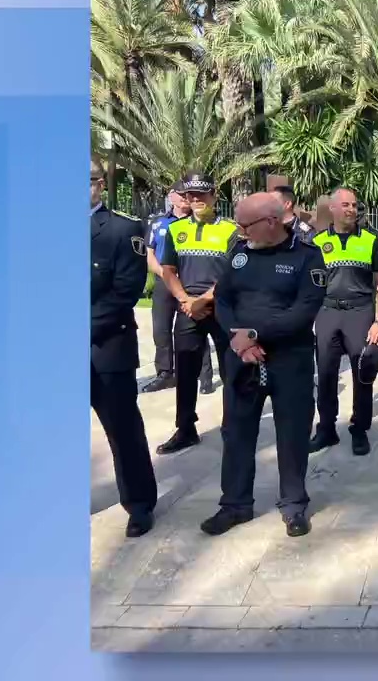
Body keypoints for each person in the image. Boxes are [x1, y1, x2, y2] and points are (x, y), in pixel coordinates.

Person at [198, 193, 329, 537]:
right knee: (238, 432)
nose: (240, 231)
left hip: (290, 361)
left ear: (271, 222)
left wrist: (253, 333)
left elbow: (304, 311)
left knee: (293, 433)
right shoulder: (239, 255)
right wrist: (236, 337)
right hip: (242, 359)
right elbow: (223, 299)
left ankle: (294, 504)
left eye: (245, 225)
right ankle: (235, 504)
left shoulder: (307, 257)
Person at [90, 156, 158, 538]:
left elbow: (125, 290)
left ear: (101, 184)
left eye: (88, 180)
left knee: (123, 431)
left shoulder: (123, 230)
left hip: (107, 346)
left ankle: (139, 503)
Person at [155, 172, 238, 455]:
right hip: (188, 308)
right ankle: (186, 428)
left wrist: (205, 299)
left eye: (201, 194)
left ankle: (233, 425)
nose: (196, 199)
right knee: (187, 371)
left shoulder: (230, 230)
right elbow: (168, 270)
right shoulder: (176, 230)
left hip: (221, 308)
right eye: (190, 195)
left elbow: (232, 273)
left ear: (214, 195)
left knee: (231, 371)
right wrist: (185, 299)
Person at [308, 188, 378, 456]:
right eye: (345, 205)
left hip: (360, 312)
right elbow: (308, 283)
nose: (351, 209)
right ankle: (327, 429)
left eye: (354, 205)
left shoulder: (370, 239)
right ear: (331, 208)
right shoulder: (317, 241)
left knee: (362, 372)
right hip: (327, 313)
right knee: (327, 372)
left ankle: (359, 428)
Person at [140, 187, 214, 394]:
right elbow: (150, 255)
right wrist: (168, 276)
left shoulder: (201, 222)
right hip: (165, 283)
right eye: (179, 194)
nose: (184, 199)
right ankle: (165, 373)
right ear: (171, 196)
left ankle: (204, 376)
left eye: (187, 195)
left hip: (191, 282)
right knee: (161, 330)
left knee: (196, 326)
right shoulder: (158, 222)